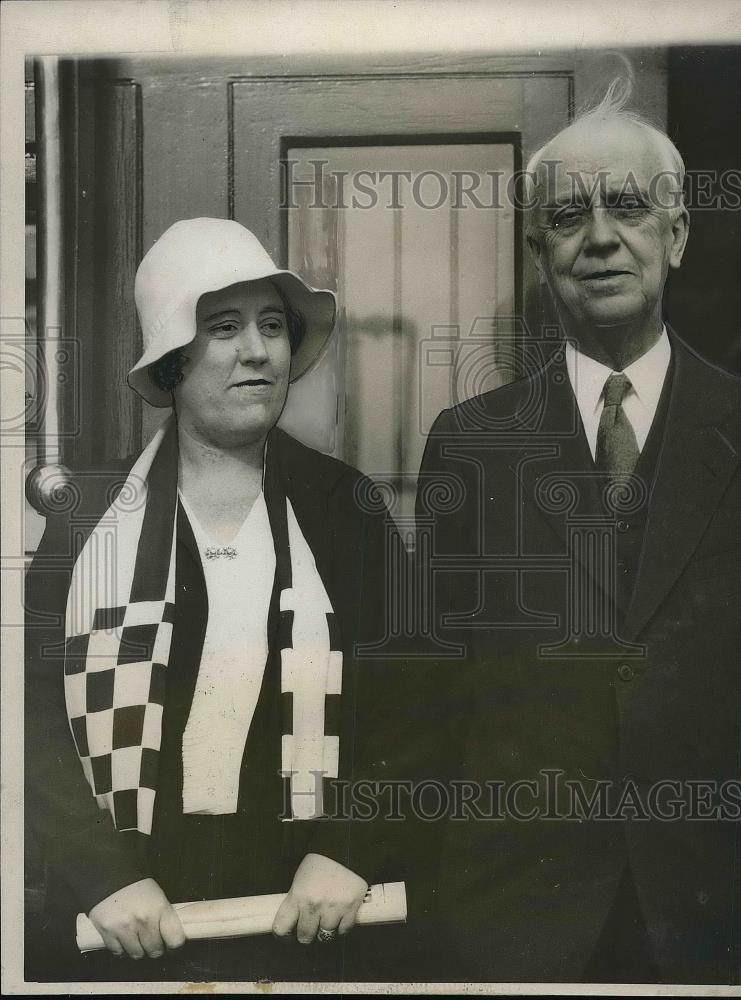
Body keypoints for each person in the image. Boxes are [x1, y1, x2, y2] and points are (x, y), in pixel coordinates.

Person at [417, 81, 741, 984]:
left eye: (629, 209)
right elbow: (435, 699)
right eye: (567, 216)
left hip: (714, 918)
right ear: (539, 251)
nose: (599, 236)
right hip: (519, 920)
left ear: (675, 236)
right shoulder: (470, 445)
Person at [25, 218, 403, 983]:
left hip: (309, 917)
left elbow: (414, 702)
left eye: (272, 326)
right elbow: (19, 711)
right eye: (223, 328)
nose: (257, 351)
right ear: (171, 360)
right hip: (124, 921)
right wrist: (100, 877)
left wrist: (346, 849)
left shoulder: (343, 507)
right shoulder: (87, 519)